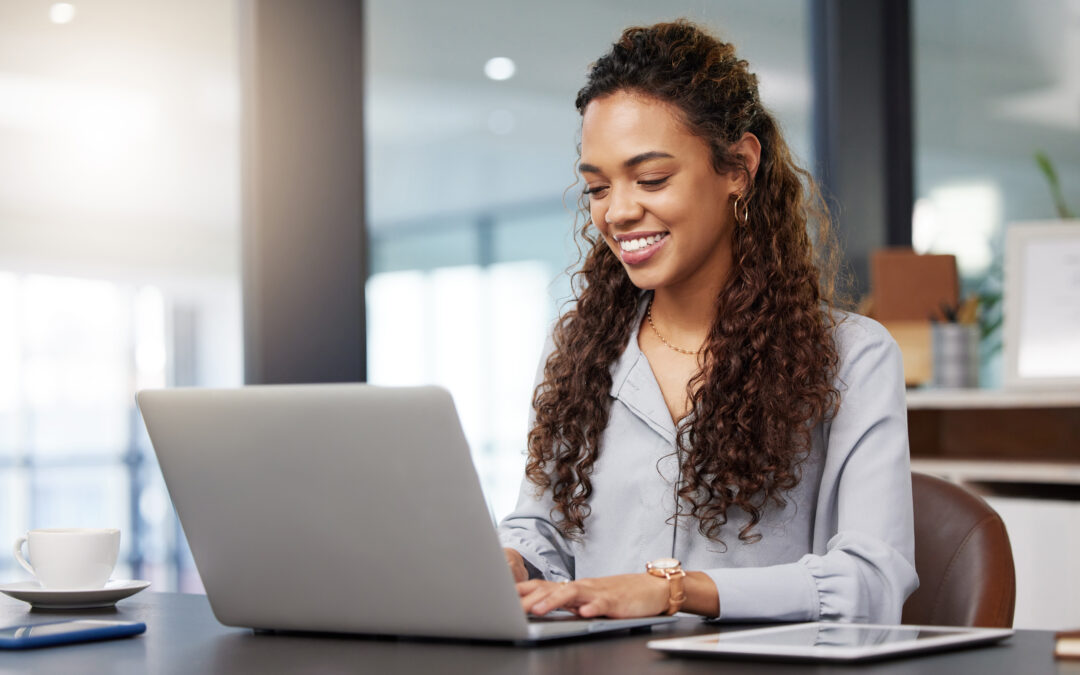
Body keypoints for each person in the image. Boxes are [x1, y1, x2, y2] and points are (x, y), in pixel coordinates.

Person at [496, 21, 918, 623]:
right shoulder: (581, 347)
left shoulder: (852, 355)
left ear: (739, 167)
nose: (618, 212)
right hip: (598, 663)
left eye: (651, 179)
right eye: (597, 187)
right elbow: (544, 531)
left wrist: (676, 590)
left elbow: (872, 581)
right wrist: (513, 561)